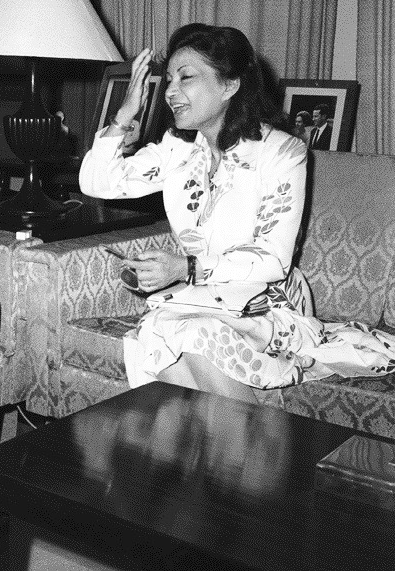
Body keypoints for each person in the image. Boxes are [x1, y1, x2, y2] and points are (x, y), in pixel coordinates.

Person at [80, 23, 395, 403]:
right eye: (169, 80)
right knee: (163, 330)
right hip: (200, 300)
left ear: (230, 85)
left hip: (268, 302)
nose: (171, 92)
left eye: (186, 78)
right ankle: (230, 437)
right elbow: (97, 183)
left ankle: (234, 435)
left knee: (181, 334)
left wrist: (185, 268)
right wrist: (124, 115)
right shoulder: (177, 150)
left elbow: (273, 259)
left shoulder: (281, 152)